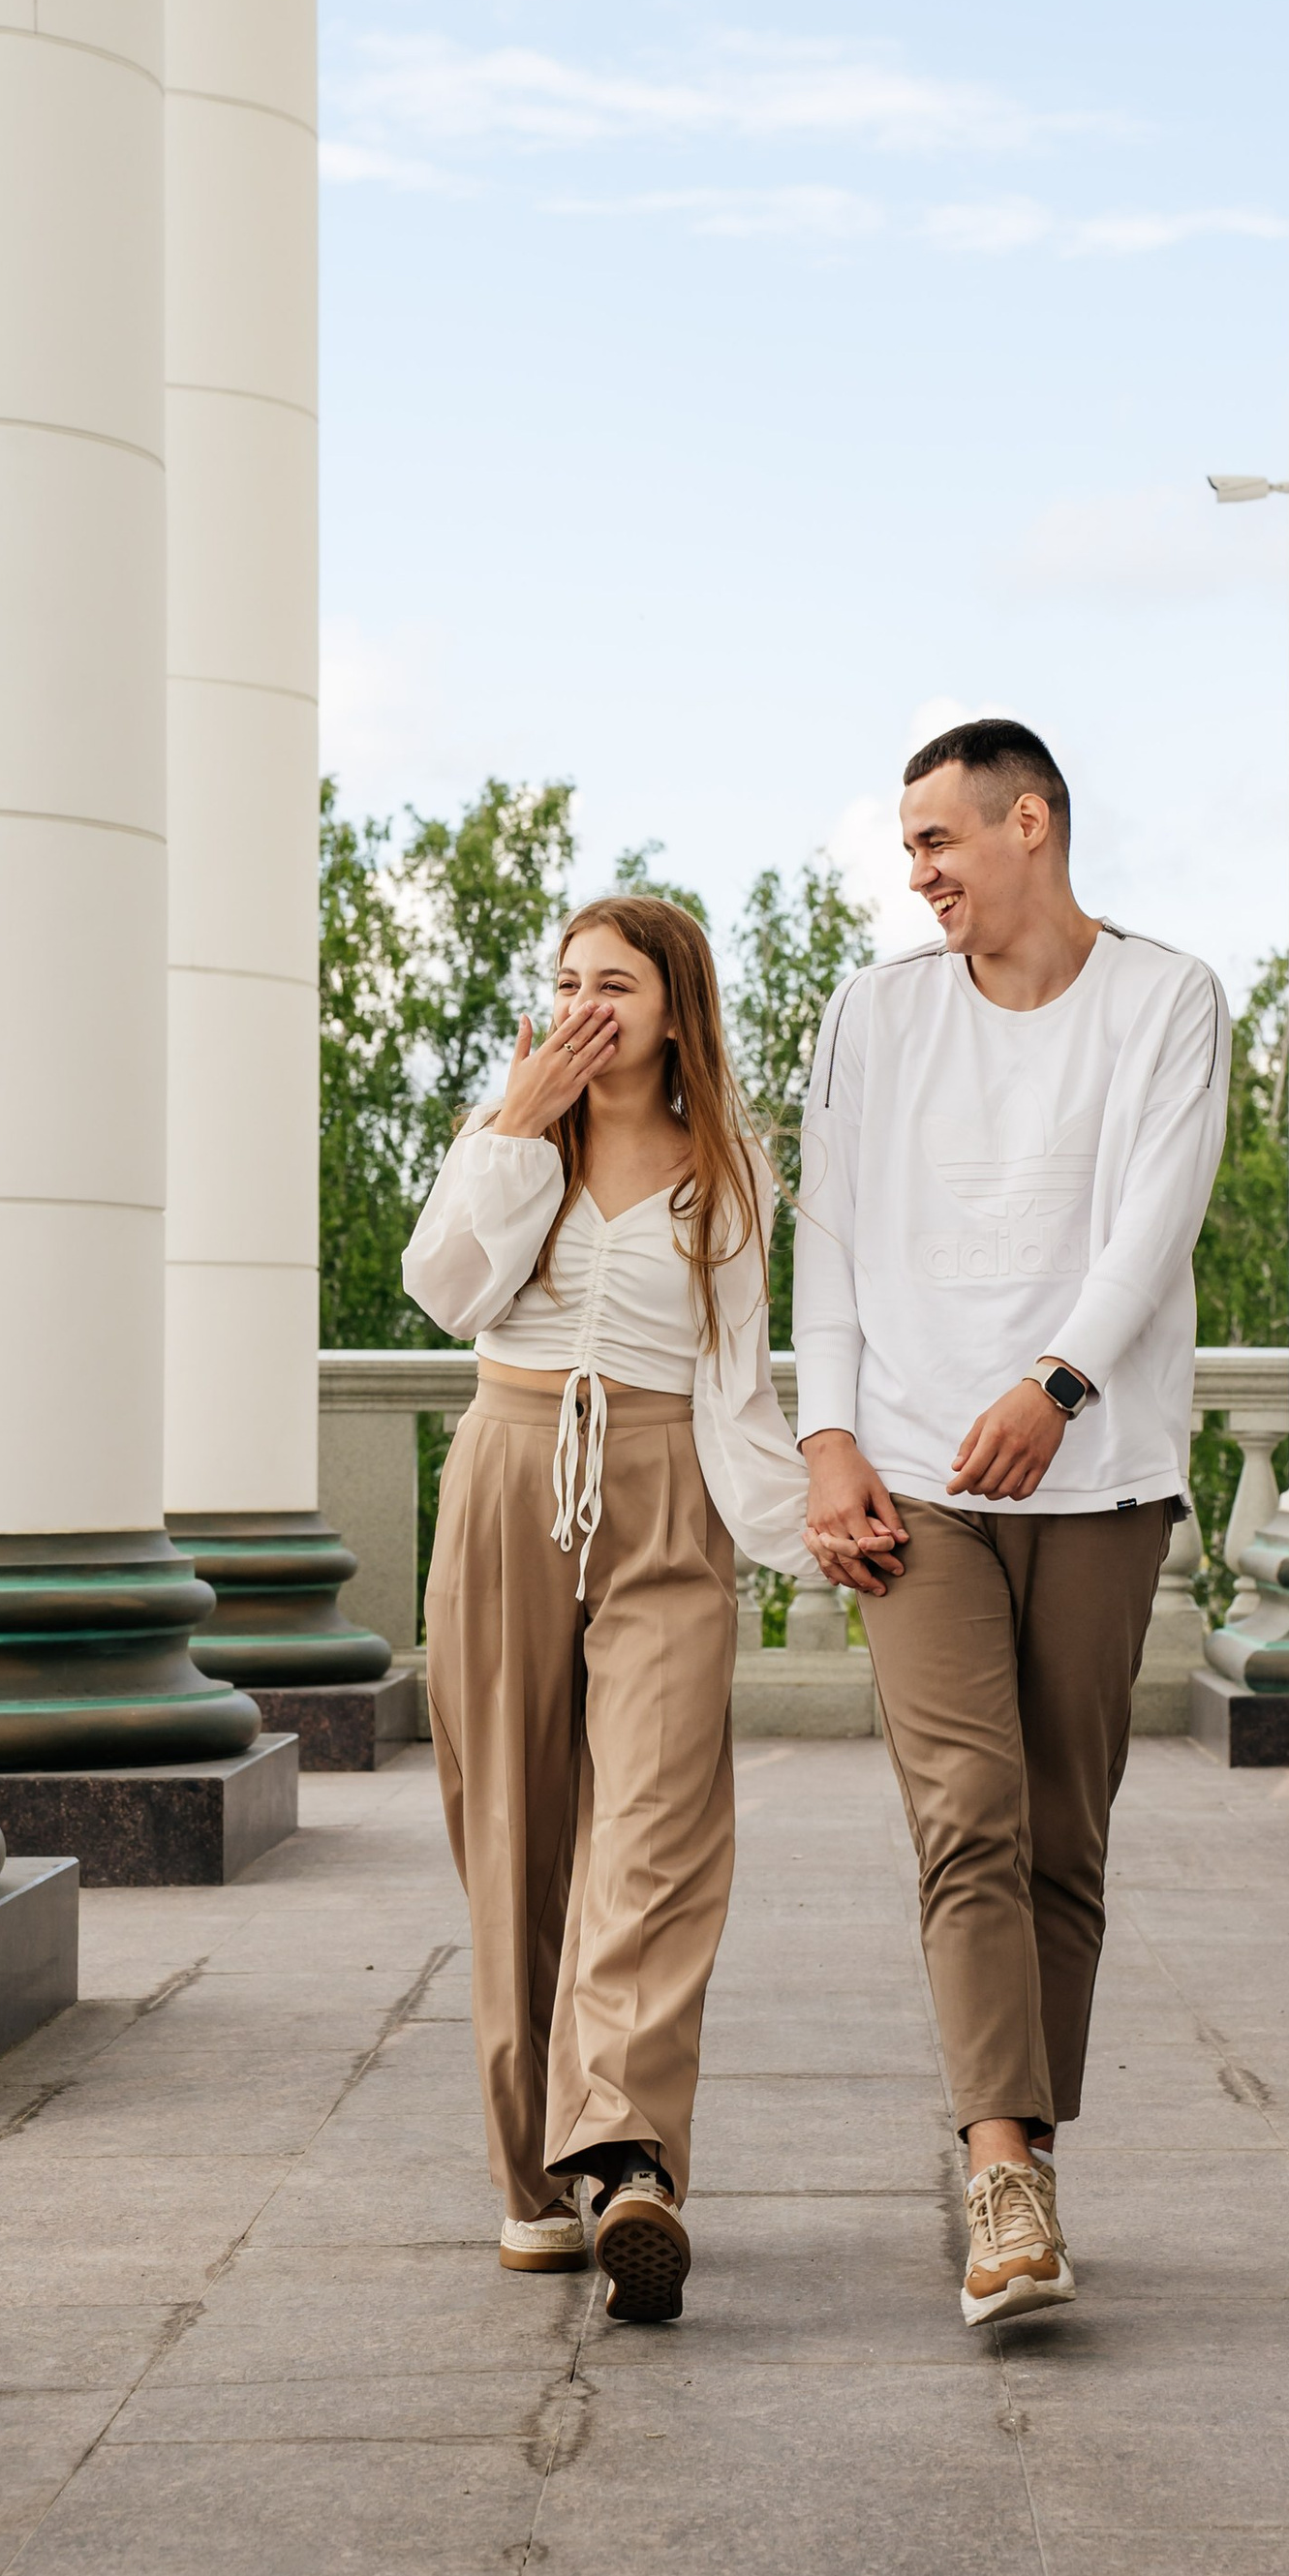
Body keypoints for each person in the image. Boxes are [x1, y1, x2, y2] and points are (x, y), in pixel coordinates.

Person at [794, 720, 1228, 2328]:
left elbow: (1156, 1211)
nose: (916, 875)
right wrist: (828, 1438)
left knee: (1062, 1817)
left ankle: (1028, 2155)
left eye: (936, 841)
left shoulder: (1168, 998)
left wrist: (1057, 1383)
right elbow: (827, 1235)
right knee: (968, 1807)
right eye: (910, 849)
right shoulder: (876, 1013)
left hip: (1098, 1465)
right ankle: (1000, 2174)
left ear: (1027, 821)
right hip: (913, 1467)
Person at [404, 895, 810, 2324]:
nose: (586, 1002)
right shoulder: (514, 1129)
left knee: (658, 1822)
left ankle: (629, 2155)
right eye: (567, 979)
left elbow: (739, 1383)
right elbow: (448, 1290)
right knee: (513, 1828)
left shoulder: (730, 1168)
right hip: (513, 1468)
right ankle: (535, 2180)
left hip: (664, 1490)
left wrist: (811, 1530)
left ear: (673, 1001)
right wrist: (518, 1120)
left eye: (615, 981)